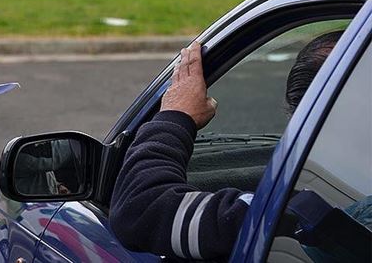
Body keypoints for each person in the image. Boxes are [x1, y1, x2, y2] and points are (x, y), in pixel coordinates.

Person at [109, 32, 343, 260]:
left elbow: (140, 211)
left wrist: (176, 115)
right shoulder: (350, 207)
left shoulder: (296, 219)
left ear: (307, 123)